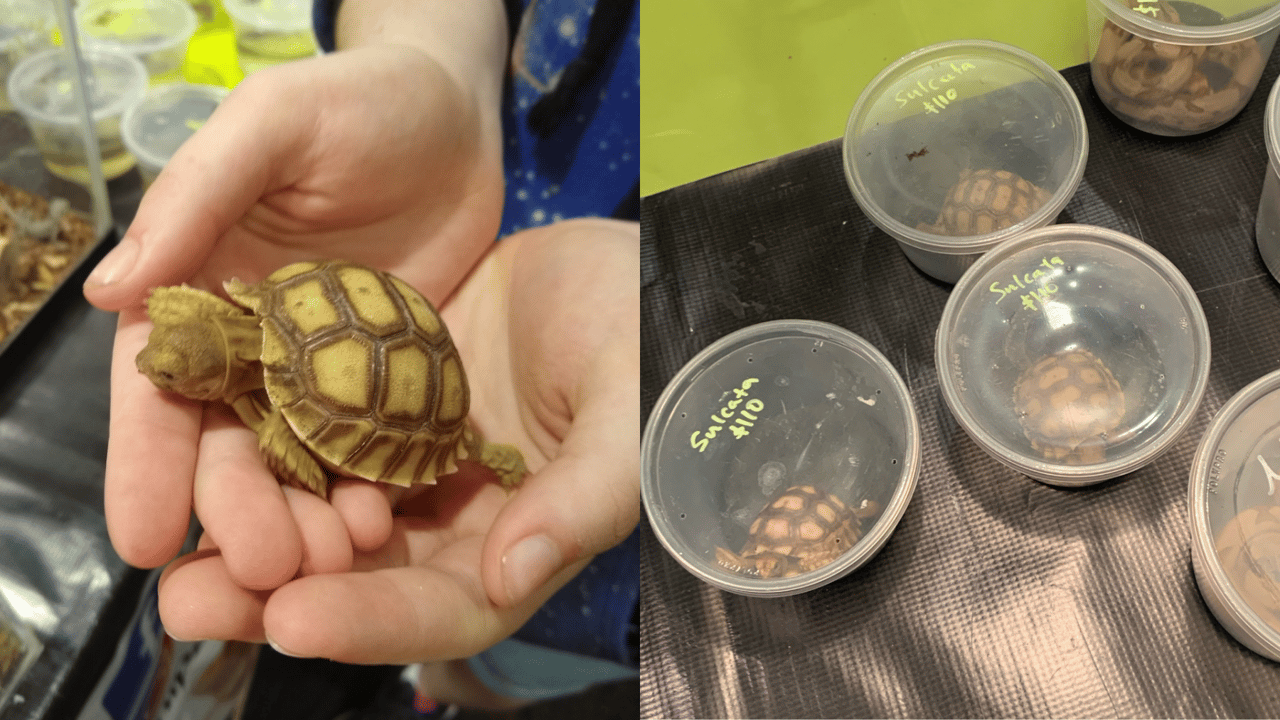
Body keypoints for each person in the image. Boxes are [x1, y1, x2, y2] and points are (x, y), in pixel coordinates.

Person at [82, 0, 639, 715]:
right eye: (166, 366)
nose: (151, 373)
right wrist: (431, 59)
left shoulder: (279, 410)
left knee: (512, 640)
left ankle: (465, 681)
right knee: (467, 640)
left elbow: (294, 447)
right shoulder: (263, 301)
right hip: (450, 272)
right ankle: (451, 685)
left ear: (215, 376)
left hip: (606, 593)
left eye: (169, 373)